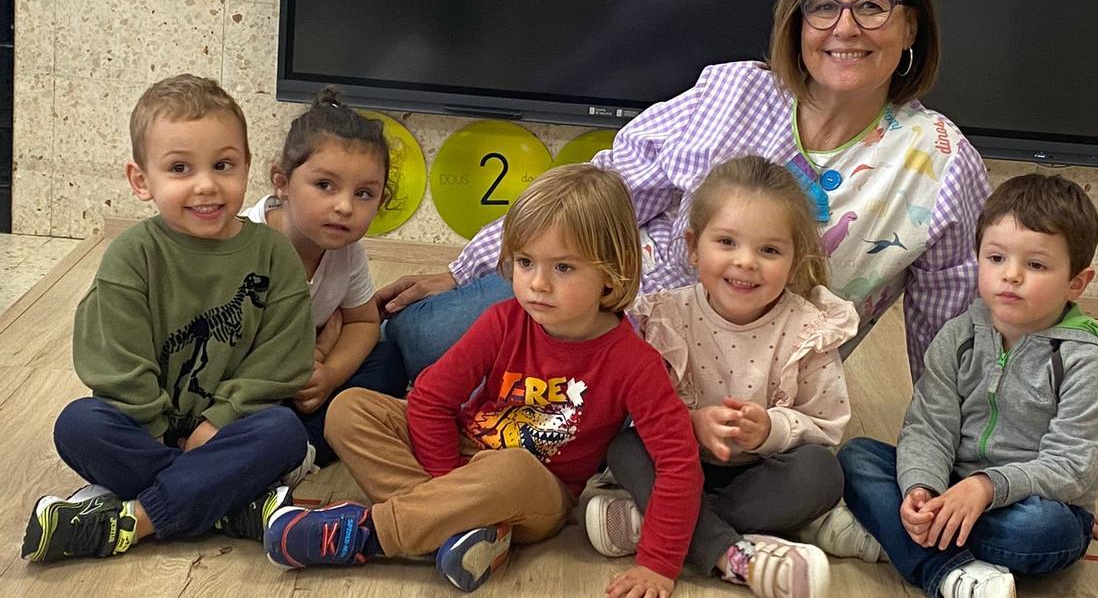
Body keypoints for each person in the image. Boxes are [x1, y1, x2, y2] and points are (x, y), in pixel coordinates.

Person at [377, 0, 988, 387]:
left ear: (912, 28)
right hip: (598, 302)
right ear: (797, 22)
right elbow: (605, 189)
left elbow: (953, 338)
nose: (844, 28)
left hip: (740, 382)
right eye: (823, 6)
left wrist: (981, 469)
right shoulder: (734, 90)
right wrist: (471, 269)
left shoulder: (942, 164)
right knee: (420, 335)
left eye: (872, 7)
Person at [262, 164, 703, 597]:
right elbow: (431, 399)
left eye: (563, 268)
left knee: (509, 467)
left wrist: (658, 565)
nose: (537, 284)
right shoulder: (502, 321)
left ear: (612, 272)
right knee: (350, 408)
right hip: (463, 454)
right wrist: (447, 483)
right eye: (526, 262)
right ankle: (457, 529)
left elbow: (678, 462)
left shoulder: (636, 362)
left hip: (534, 491)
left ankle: (368, 534)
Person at [21, 74, 314, 563]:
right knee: (78, 424)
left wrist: (219, 422)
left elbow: (281, 358)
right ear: (142, 180)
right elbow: (115, 358)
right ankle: (228, 505)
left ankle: (133, 521)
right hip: (141, 429)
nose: (206, 185)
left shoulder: (274, 255)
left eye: (223, 165)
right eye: (180, 168)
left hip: (230, 428)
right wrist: (159, 429)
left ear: (246, 167)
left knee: (284, 432)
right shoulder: (131, 254)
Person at [813, 174, 1098, 597]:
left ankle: (903, 543)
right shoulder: (959, 335)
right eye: (996, 258)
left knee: (1043, 532)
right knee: (857, 458)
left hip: (1029, 504)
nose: (1010, 275)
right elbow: (929, 427)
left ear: (1076, 283)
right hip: (951, 485)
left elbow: (1071, 467)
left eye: (1035, 265)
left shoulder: (1085, 361)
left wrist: (984, 487)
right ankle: (945, 558)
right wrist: (923, 488)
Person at [587, 157, 859, 598]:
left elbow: (826, 427)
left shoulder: (809, 330)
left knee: (823, 474)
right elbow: (634, 410)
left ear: (794, 261)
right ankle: (727, 551)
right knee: (625, 446)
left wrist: (770, 429)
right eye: (727, 242)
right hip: (677, 466)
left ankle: (661, 524)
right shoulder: (665, 317)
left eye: (769, 250)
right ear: (694, 247)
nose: (746, 262)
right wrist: (689, 423)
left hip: (760, 477)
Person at [241, 87, 404, 468]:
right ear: (281, 181)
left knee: (389, 360)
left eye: (364, 194)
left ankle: (304, 452)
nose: (344, 206)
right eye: (325, 186)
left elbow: (363, 320)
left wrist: (329, 374)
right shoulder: (245, 244)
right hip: (242, 381)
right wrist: (302, 362)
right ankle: (278, 448)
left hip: (301, 376)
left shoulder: (347, 251)